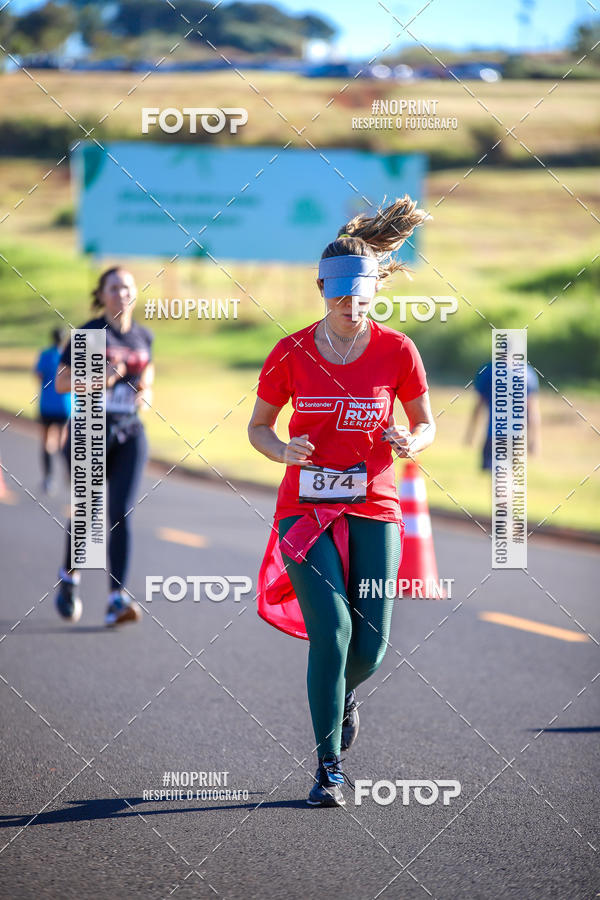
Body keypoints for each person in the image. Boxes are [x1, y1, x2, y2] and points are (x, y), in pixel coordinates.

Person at [248, 196, 436, 807]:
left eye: (361, 295)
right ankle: (328, 766)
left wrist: (411, 440)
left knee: (370, 647)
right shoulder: (291, 352)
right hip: (303, 509)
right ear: (322, 292)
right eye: (340, 297)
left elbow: (425, 423)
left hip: (374, 505)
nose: (351, 308)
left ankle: (344, 694)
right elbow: (258, 428)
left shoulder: (398, 350)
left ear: (375, 289)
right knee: (330, 633)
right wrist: (283, 451)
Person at [53, 267, 154, 626]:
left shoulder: (143, 335)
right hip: (91, 428)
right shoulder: (91, 333)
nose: (121, 294)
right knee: (89, 512)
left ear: (135, 293)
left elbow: (148, 372)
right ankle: (69, 578)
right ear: (102, 294)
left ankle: (116, 600)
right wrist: (102, 378)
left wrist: (146, 392)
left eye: (126, 287)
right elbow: (62, 383)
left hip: (130, 430)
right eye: (113, 288)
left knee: (121, 512)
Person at [465, 360, 541, 470]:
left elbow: (478, 407)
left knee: (495, 473)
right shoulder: (527, 373)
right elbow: (532, 413)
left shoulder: (489, 371)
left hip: (494, 434)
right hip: (516, 437)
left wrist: (470, 434)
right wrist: (534, 441)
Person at [34, 328, 71, 494]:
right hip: (65, 405)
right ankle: (70, 473)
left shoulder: (46, 354)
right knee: (63, 442)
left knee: (46, 442)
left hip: (47, 405)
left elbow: (38, 375)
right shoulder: (68, 356)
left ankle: (48, 478)